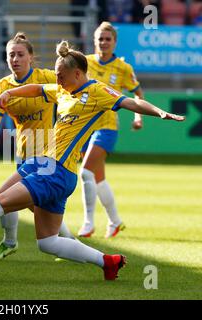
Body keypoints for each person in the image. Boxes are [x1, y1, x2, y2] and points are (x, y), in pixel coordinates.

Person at [0, 40, 185, 281]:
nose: (58, 79)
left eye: (61, 75)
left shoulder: (98, 92)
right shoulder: (63, 90)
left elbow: (131, 103)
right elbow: (36, 89)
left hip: (56, 173)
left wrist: (160, 112)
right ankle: (108, 262)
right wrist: (11, 93)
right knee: (48, 243)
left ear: (77, 73)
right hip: (44, 164)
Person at [0, 32, 75, 261]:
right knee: (36, 208)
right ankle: (69, 242)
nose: (15, 59)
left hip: (49, 154)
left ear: (30, 57)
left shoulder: (46, 77)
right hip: (24, 153)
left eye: (20, 54)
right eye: (11, 55)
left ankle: (9, 243)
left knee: (4, 197)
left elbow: (74, 88)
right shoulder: (2, 85)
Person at [77, 21, 144, 239]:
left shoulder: (123, 68)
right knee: (98, 179)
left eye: (108, 39)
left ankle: (88, 223)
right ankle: (115, 221)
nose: (104, 42)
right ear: (94, 41)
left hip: (107, 126)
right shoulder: (84, 62)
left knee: (85, 172)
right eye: (101, 39)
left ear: (115, 42)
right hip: (85, 126)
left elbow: (138, 93)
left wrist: (137, 116)